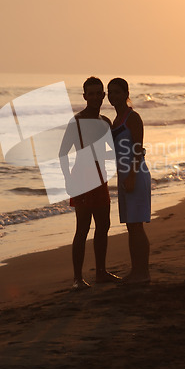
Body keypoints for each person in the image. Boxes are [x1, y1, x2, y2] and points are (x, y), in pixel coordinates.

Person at [59, 77, 121, 290]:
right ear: (84, 96)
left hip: (100, 177)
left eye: (98, 93)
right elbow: (62, 153)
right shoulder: (77, 121)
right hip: (82, 178)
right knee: (83, 228)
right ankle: (77, 278)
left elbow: (111, 151)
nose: (95, 97)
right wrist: (68, 179)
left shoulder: (105, 122)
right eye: (90, 94)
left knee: (103, 226)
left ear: (103, 95)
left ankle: (101, 272)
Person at [107, 78, 151, 284]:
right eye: (110, 92)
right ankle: (137, 271)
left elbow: (137, 149)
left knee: (136, 225)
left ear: (126, 94)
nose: (113, 96)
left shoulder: (132, 118)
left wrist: (132, 176)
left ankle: (142, 272)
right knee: (131, 226)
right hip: (124, 176)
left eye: (117, 92)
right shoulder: (115, 121)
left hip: (136, 174)